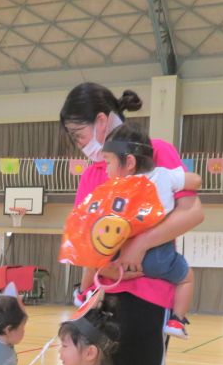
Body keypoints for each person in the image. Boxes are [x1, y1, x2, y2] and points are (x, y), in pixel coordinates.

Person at [60, 82, 203, 365]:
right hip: (106, 298)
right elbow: (87, 236)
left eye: (81, 135)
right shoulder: (92, 175)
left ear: (103, 122)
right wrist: (83, 292)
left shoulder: (156, 150)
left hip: (150, 295)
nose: (82, 147)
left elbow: (193, 210)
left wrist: (139, 244)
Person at [85, 123, 204, 338]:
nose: (107, 168)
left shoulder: (113, 188)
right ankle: (177, 321)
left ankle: (84, 292)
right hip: (158, 257)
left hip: (120, 256)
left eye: (109, 162)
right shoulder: (163, 175)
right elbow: (196, 181)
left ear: (129, 162)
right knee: (186, 278)